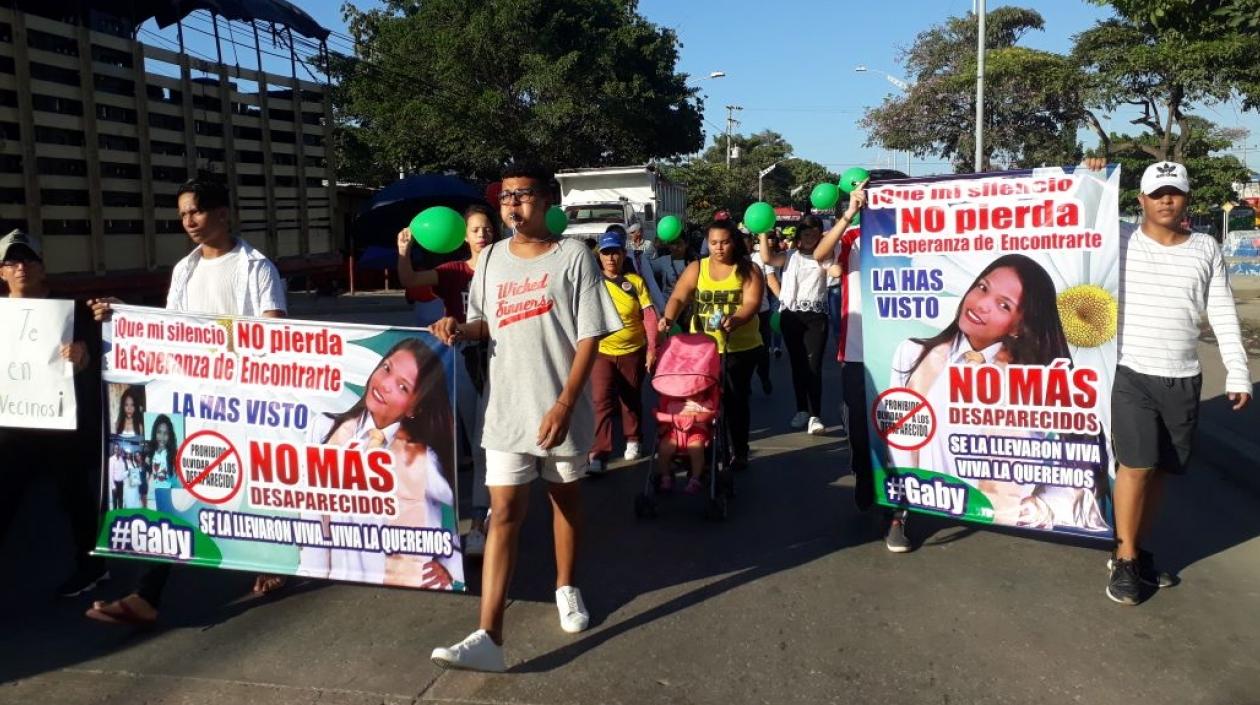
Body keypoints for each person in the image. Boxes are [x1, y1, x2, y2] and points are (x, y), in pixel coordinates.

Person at [428, 163, 622, 673]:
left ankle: (566, 586)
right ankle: (488, 634)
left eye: (524, 195)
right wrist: (459, 328)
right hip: (506, 409)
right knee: (503, 516)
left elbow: (590, 335)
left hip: (560, 409)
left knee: (565, 502)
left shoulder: (573, 256)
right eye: (506, 197)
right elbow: (485, 321)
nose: (513, 205)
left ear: (547, 201)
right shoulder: (489, 258)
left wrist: (563, 403)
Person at [86, 176, 288, 625]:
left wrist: (225, 351)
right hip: (191, 400)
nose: (188, 221)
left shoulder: (256, 268)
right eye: (182, 214)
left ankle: (269, 562)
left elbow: (275, 336)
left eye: (195, 211)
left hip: (243, 400)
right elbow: (169, 330)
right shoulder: (186, 269)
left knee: (252, 486)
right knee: (174, 488)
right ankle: (145, 595)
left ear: (222, 213)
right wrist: (125, 314)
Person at [1105, 161, 1250, 605]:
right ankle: (1125, 558)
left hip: (1184, 377)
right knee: (1136, 465)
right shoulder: (1120, 239)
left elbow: (1222, 311)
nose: (1167, 199)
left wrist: (1238, 370)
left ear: (1186, 198)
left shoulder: (1205, 247)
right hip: (1132, 373)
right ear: (1141, 200)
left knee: (1164, 469)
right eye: (1157, 193)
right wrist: (1089, 176)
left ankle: (1138, 549)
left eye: (1175, 192)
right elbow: (1070, 217)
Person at [889, 254, 1108, 531]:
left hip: (994, 525)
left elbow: (1077, 470)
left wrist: (1027, 510)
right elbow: (899, 438)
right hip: (928, 507)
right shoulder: (914, 355)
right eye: (982, 287)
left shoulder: (1030, 382)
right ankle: (899, 519)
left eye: (1003, 305)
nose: (981, 305)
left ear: (1019, 326)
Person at [298, 338, 459, 588]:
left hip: (406, 592)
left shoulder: (421, 459)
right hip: (335, 586)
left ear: (414, 408)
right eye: (386, 368)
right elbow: (312, 511)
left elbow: (461, 501)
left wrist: (451, 565)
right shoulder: (325, 429)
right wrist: (312, 570)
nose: (385, 385)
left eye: (403, 387)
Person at [0, 229, 110, 597]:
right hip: (13, 423)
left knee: (73, 496)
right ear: (1, 272)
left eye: (28, 260)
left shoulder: (73, 311)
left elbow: (97, 359)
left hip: (61, 419)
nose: (21, 268)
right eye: (11, 262)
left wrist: (83, 357)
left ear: (42, 267)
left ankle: (93, 567)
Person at [396, 203, 498, 557]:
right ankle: (479, 516)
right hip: (464, 362)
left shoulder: (506, 268)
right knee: (475, 437)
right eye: (475, 230)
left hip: (503, 360)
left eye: (487, 228)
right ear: (463, 237)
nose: (482, 235)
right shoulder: (453, 271)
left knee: (495, 440)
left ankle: (489, 515)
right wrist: (404, 253)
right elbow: (409, 280)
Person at [659, 220, 765, 470]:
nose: (719, 248)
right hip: (702, 351)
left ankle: (739, 451)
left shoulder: (748, 269)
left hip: (740, 348)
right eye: (714, 242)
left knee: (735, 403)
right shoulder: (698, 267)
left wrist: (736, 319)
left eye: (725, 242)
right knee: (702, 405)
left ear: (734, 242)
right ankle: (703, 452)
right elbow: (679, 295)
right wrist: (669, 317)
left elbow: (751, 303)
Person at [760, 215, 839, 436]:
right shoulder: (789, 256)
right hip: (791, 317)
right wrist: (762, 230)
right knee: (797, 366)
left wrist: (835, 270)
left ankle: (815, 415)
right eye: (806, 232)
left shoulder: (823, 256)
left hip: (815, 317)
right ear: (799, 235)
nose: (810, 236)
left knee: (813, 367)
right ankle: (801, 410)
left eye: (815, 233)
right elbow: (767, 258)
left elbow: (834, 270)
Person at [588, 229, 659, 473]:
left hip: (633, 350)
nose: (610, 258)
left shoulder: (635, 282)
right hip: (601, 351)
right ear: (599, 256)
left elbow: (649, 316)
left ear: (622, 254)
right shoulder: (592, 282)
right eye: (605, 253)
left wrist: (652, 348)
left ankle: (633, 439)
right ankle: (598, 452)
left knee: (630, 398)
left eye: (614, 253)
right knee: (600, 401)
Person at [655, 384, 718, 494]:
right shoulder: (674, 404)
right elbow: (665, 418)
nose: (696, 394)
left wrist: (710, 419)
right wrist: (664, 425)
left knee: (696, 449)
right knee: (664, 448)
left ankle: (695, 479)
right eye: (692, 392)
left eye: (700, 392)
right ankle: (666, 476)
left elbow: (712, 416)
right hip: (675, 431)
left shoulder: (706, 404)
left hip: (697, 431)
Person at [750, 232, 780, 395]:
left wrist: (784, 302)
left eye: (746, 238)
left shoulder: (761, 257)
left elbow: (771, 280)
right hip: (739, 316)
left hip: (761, 312)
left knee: (762, 350)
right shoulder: (730, 259)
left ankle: (764, 377)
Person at [625, 222, 667, 311]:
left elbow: (655, 261)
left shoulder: (649, 245)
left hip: (647, 277)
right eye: (629, 233)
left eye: (632, 232)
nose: (630, 235)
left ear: (639, 232)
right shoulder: (627, 245)